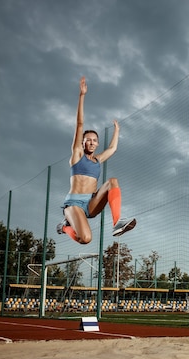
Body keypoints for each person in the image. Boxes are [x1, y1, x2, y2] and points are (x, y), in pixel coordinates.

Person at [57, 76, 136, 244]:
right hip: (74, 204)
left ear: (97, 143)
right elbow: (79, 124)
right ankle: (64, 226)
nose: (91, 142)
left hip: (91, 203)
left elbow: (113, 149)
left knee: (112, 181)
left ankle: (117, 224)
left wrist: (117, 130)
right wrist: (82, 95)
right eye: (88, 140)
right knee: (85, 239)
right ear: (83, 142)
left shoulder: (98, 160)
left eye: (94, 140)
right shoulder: (77, 155)